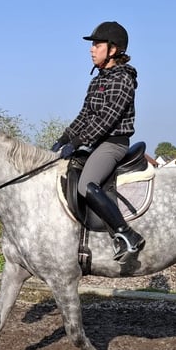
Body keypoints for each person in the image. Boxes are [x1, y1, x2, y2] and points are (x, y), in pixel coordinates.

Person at [52, 21, 145, 263]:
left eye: (97, 45)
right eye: (92, 45)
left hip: (113, 143)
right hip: (95, 143)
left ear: (112, 50)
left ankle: (127, 235)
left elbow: (107, 119)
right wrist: (63, 138)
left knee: (86, 184)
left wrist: (80, 141)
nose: (91, 49)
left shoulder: (123, 79)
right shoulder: (98, 80)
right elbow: (85, 115)